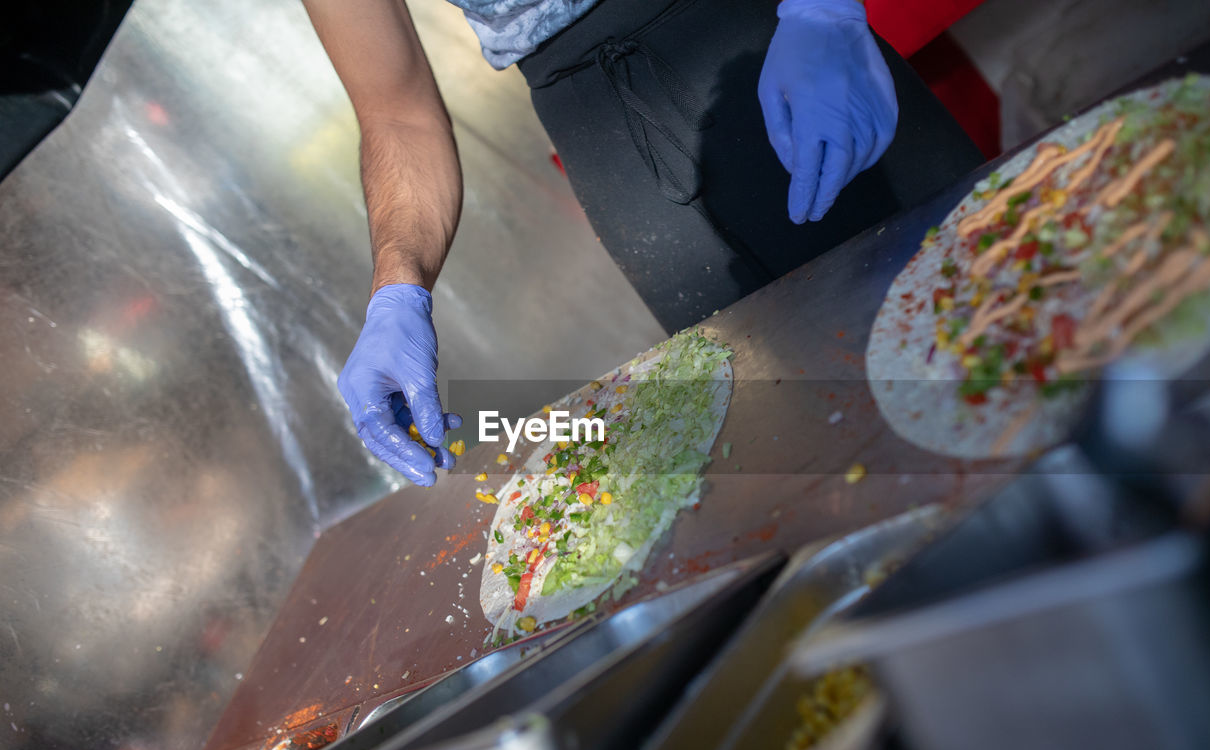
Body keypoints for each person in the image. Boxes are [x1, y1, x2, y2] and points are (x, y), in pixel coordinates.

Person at [308, 0, 982, 487]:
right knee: (826, 455)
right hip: (612, 147)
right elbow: (397, 113)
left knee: (987, 330)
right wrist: (396, 289)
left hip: (772, 43)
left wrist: (826, 11)